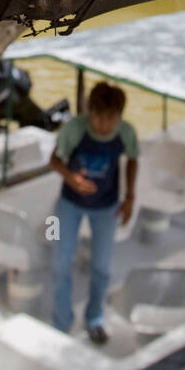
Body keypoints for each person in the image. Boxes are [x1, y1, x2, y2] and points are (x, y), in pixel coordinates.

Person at [48, 81, 138, 343]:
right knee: (61, 264)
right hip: (70, 204)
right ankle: (61, 323)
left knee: (102, 267)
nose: (104, 124)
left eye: (111, 118)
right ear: (89, 113)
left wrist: (129, 196)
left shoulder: (126, 133)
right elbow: (54, 160)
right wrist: (70, 177)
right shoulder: (74, 129)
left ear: (119, 117)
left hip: (107, 206)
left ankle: (95, 318)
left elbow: (133, 158)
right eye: (98, 117)